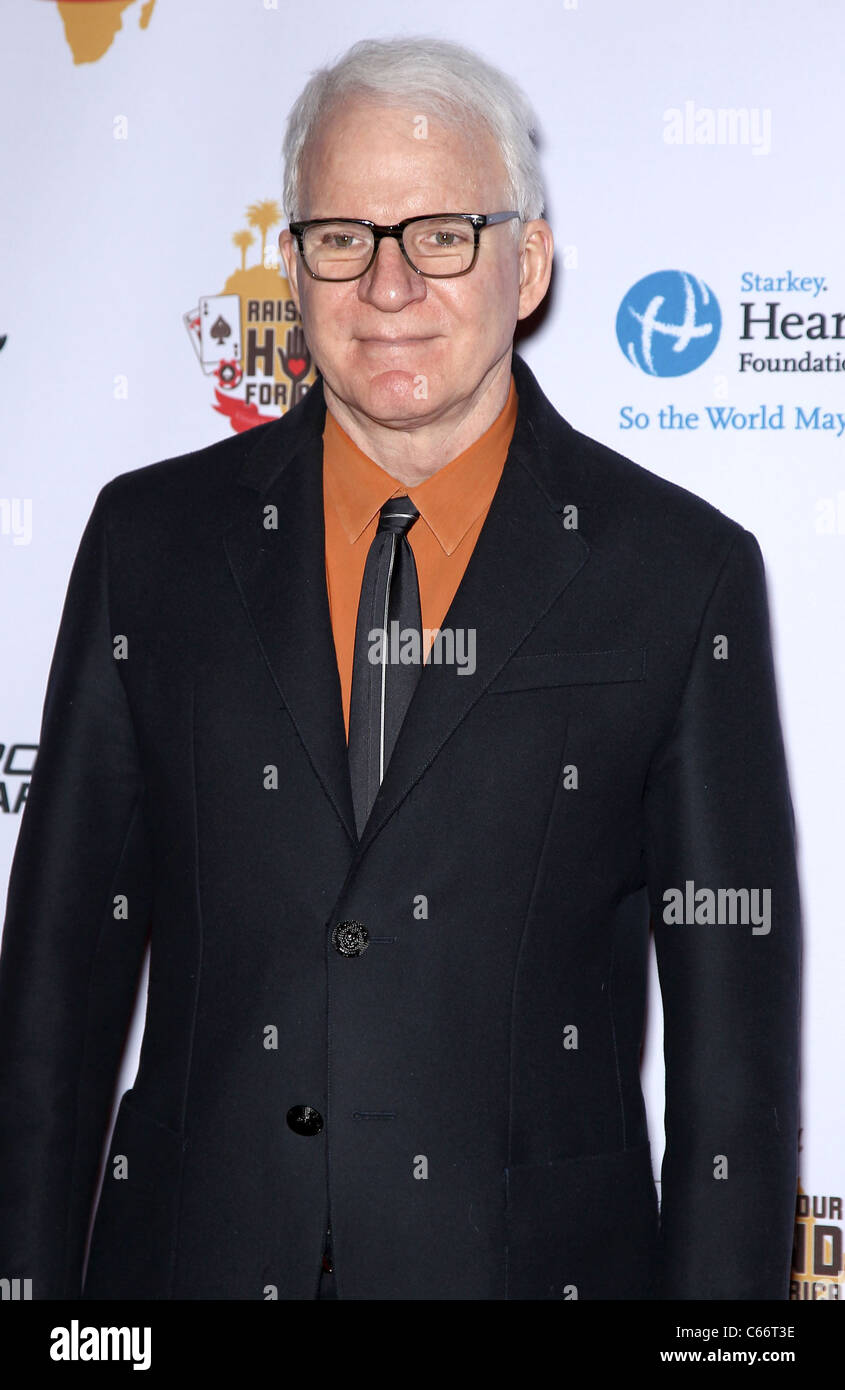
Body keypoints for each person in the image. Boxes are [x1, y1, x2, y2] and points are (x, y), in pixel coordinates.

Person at [0, 35, 800, 1301]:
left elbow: (734, 1075)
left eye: (439, 233)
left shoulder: (677, 574)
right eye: (340, 236)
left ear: (524, 262)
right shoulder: (146, 545)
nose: (386, 283)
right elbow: (53, 992)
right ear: (292, 264)